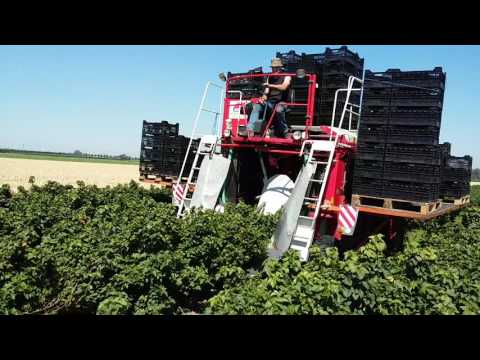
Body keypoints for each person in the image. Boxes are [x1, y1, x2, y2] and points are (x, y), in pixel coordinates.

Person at [246, 58, 291, 138]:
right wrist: (263, 98)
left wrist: (270, 85)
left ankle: (285, 131)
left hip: (282, 102)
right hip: (270, 102)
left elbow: (284, 87)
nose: (274, 69)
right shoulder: (269, 77)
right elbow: (266, 92)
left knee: (279, 109)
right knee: (257, 106)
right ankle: (250, 130)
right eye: (273, 67)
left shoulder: (287, 76)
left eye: (276, 67)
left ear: (280, 67)